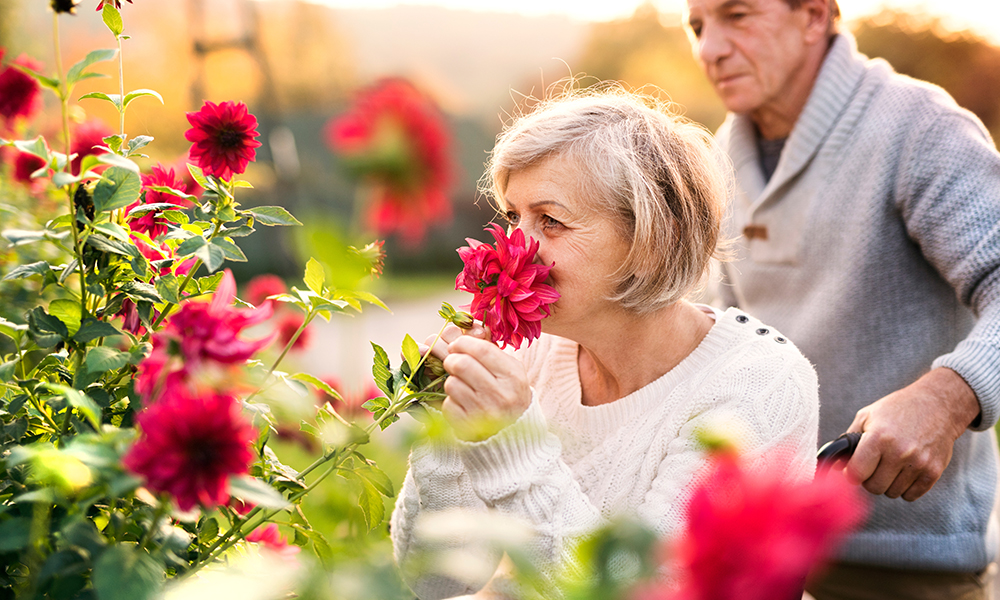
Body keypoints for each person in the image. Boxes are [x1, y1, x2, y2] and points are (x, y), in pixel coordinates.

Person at [389, 88, 820, 599]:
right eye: (513, 217)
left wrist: (514, 446)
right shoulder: (528, 352)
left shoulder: (757, 386)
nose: (514, 247)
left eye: (550, 220)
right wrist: (444, 430)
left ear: (650, 243)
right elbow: (433, 582)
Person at [684, 0, 1000, 596]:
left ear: (813, 16)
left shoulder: (919, 127)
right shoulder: (718, 157)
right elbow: (716, 343)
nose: (709, 48)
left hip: (901, 563)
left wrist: (946, 397)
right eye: (698, 27)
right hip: (759, 555)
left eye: (737, 16)